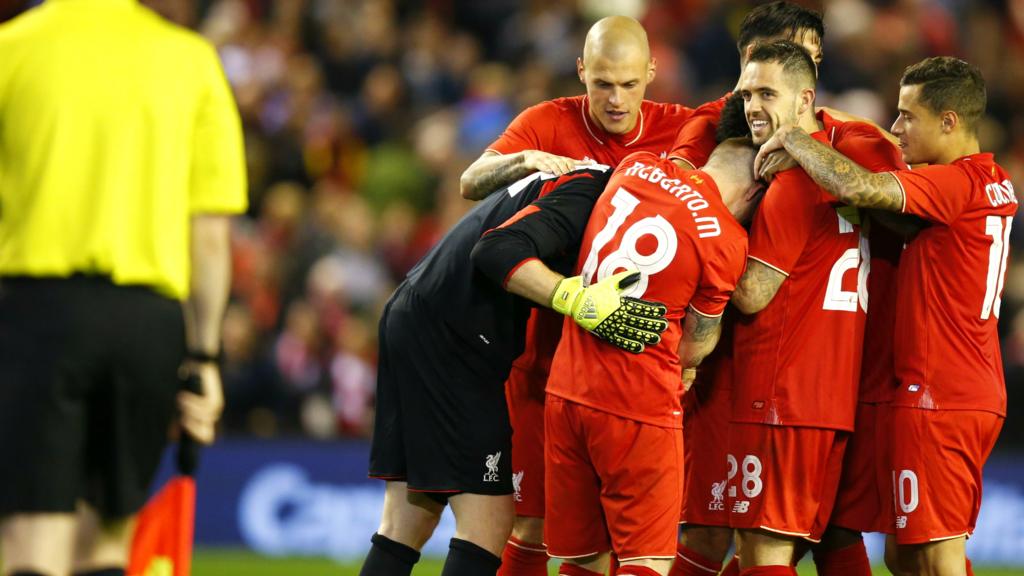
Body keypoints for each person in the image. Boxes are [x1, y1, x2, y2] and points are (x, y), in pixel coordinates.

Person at [0, 2, 247, 575]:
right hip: (146, 326)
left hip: (38, 316)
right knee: (107, 545)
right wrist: (204, 357)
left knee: (34, 547)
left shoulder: (13, 48)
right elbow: (209, 237)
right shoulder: (191, 60)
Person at [754, 55, 1015, 576]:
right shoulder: (991, 181)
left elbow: (861, 188)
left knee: (935, 558)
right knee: (903, 554)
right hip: (964, 390)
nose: (896, 130)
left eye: (908, 116)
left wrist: (798, 138)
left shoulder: (953, 184)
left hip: (939, 398)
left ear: (949, 122)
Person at [458, 16, 699, 575]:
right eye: (603, 84)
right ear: (581, 71)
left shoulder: (683, 129)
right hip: (542, 357)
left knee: (619, 537)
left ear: (652, 73)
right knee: (537, 526)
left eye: (630, 85)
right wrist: (524, 160)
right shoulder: (548, 121)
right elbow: (471, 181)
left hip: (634, 363)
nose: (617, 100)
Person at [360, 164, 669, 576]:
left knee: (406, 520)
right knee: (488, 524)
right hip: (456, 337)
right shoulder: (593, 195)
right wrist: (572, 298)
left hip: (415, 313)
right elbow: (496, 248)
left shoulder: (572, 181)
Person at [724, 40, 904, 576]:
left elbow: (753, 291)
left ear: (805, 99)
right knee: (821, 538)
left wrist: (710, 232)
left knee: (764, 552)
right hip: (830, 395)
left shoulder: (792, 179)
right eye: (747, 93)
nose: (753, 105)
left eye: (767, 94)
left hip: (778, 391)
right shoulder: (840, 163)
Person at [543, 139, 763, 576]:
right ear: (754, 193)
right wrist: (691, 363)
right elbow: (695, 345)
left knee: (583, 558)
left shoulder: (636, 166)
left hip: (566, 388)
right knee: (646, 560)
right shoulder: (725, 237)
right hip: (638, 403)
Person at [664, 4, 825, 575]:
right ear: (744, 64)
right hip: (715, 364)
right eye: (777, 55)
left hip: (790, 369)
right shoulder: (708, 126)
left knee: (791, 535)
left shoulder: (836, 142)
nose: (760, 100)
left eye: (807, 56)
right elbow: (674, 214)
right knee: (699, 529)